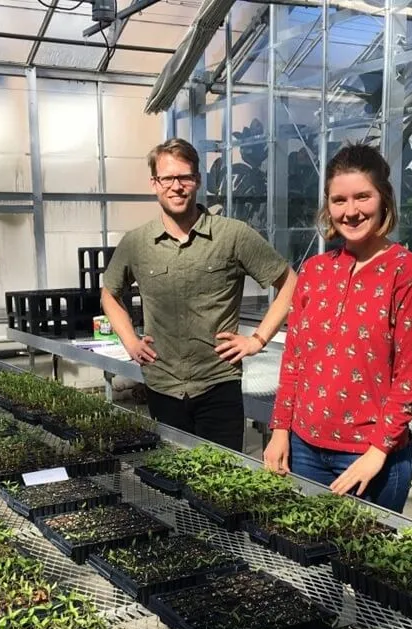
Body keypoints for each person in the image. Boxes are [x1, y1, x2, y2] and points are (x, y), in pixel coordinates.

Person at [263, 143, 412, 513]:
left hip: (368, 455)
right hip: (305, 446)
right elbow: (294, 358)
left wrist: (377, 452)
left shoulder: (407, 272)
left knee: (362, 550)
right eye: (339, 200)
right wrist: (280, 430)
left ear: (384, 198)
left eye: (363, 197)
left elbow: (411, 375)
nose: (351, 211)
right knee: (306, 545)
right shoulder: (315, 271)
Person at [101, 137, 297, 452]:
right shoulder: (136, 243)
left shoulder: (232, 235)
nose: (176, 186)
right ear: (154, 183)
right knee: (171, 473)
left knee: (222, 475)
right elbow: (109, 293)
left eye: (185, 177)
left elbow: (290, 283)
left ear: (197, 180)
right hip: (163, 385)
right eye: (167, 178)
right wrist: (131, 342)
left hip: (218, 384)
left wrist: (257, 340)